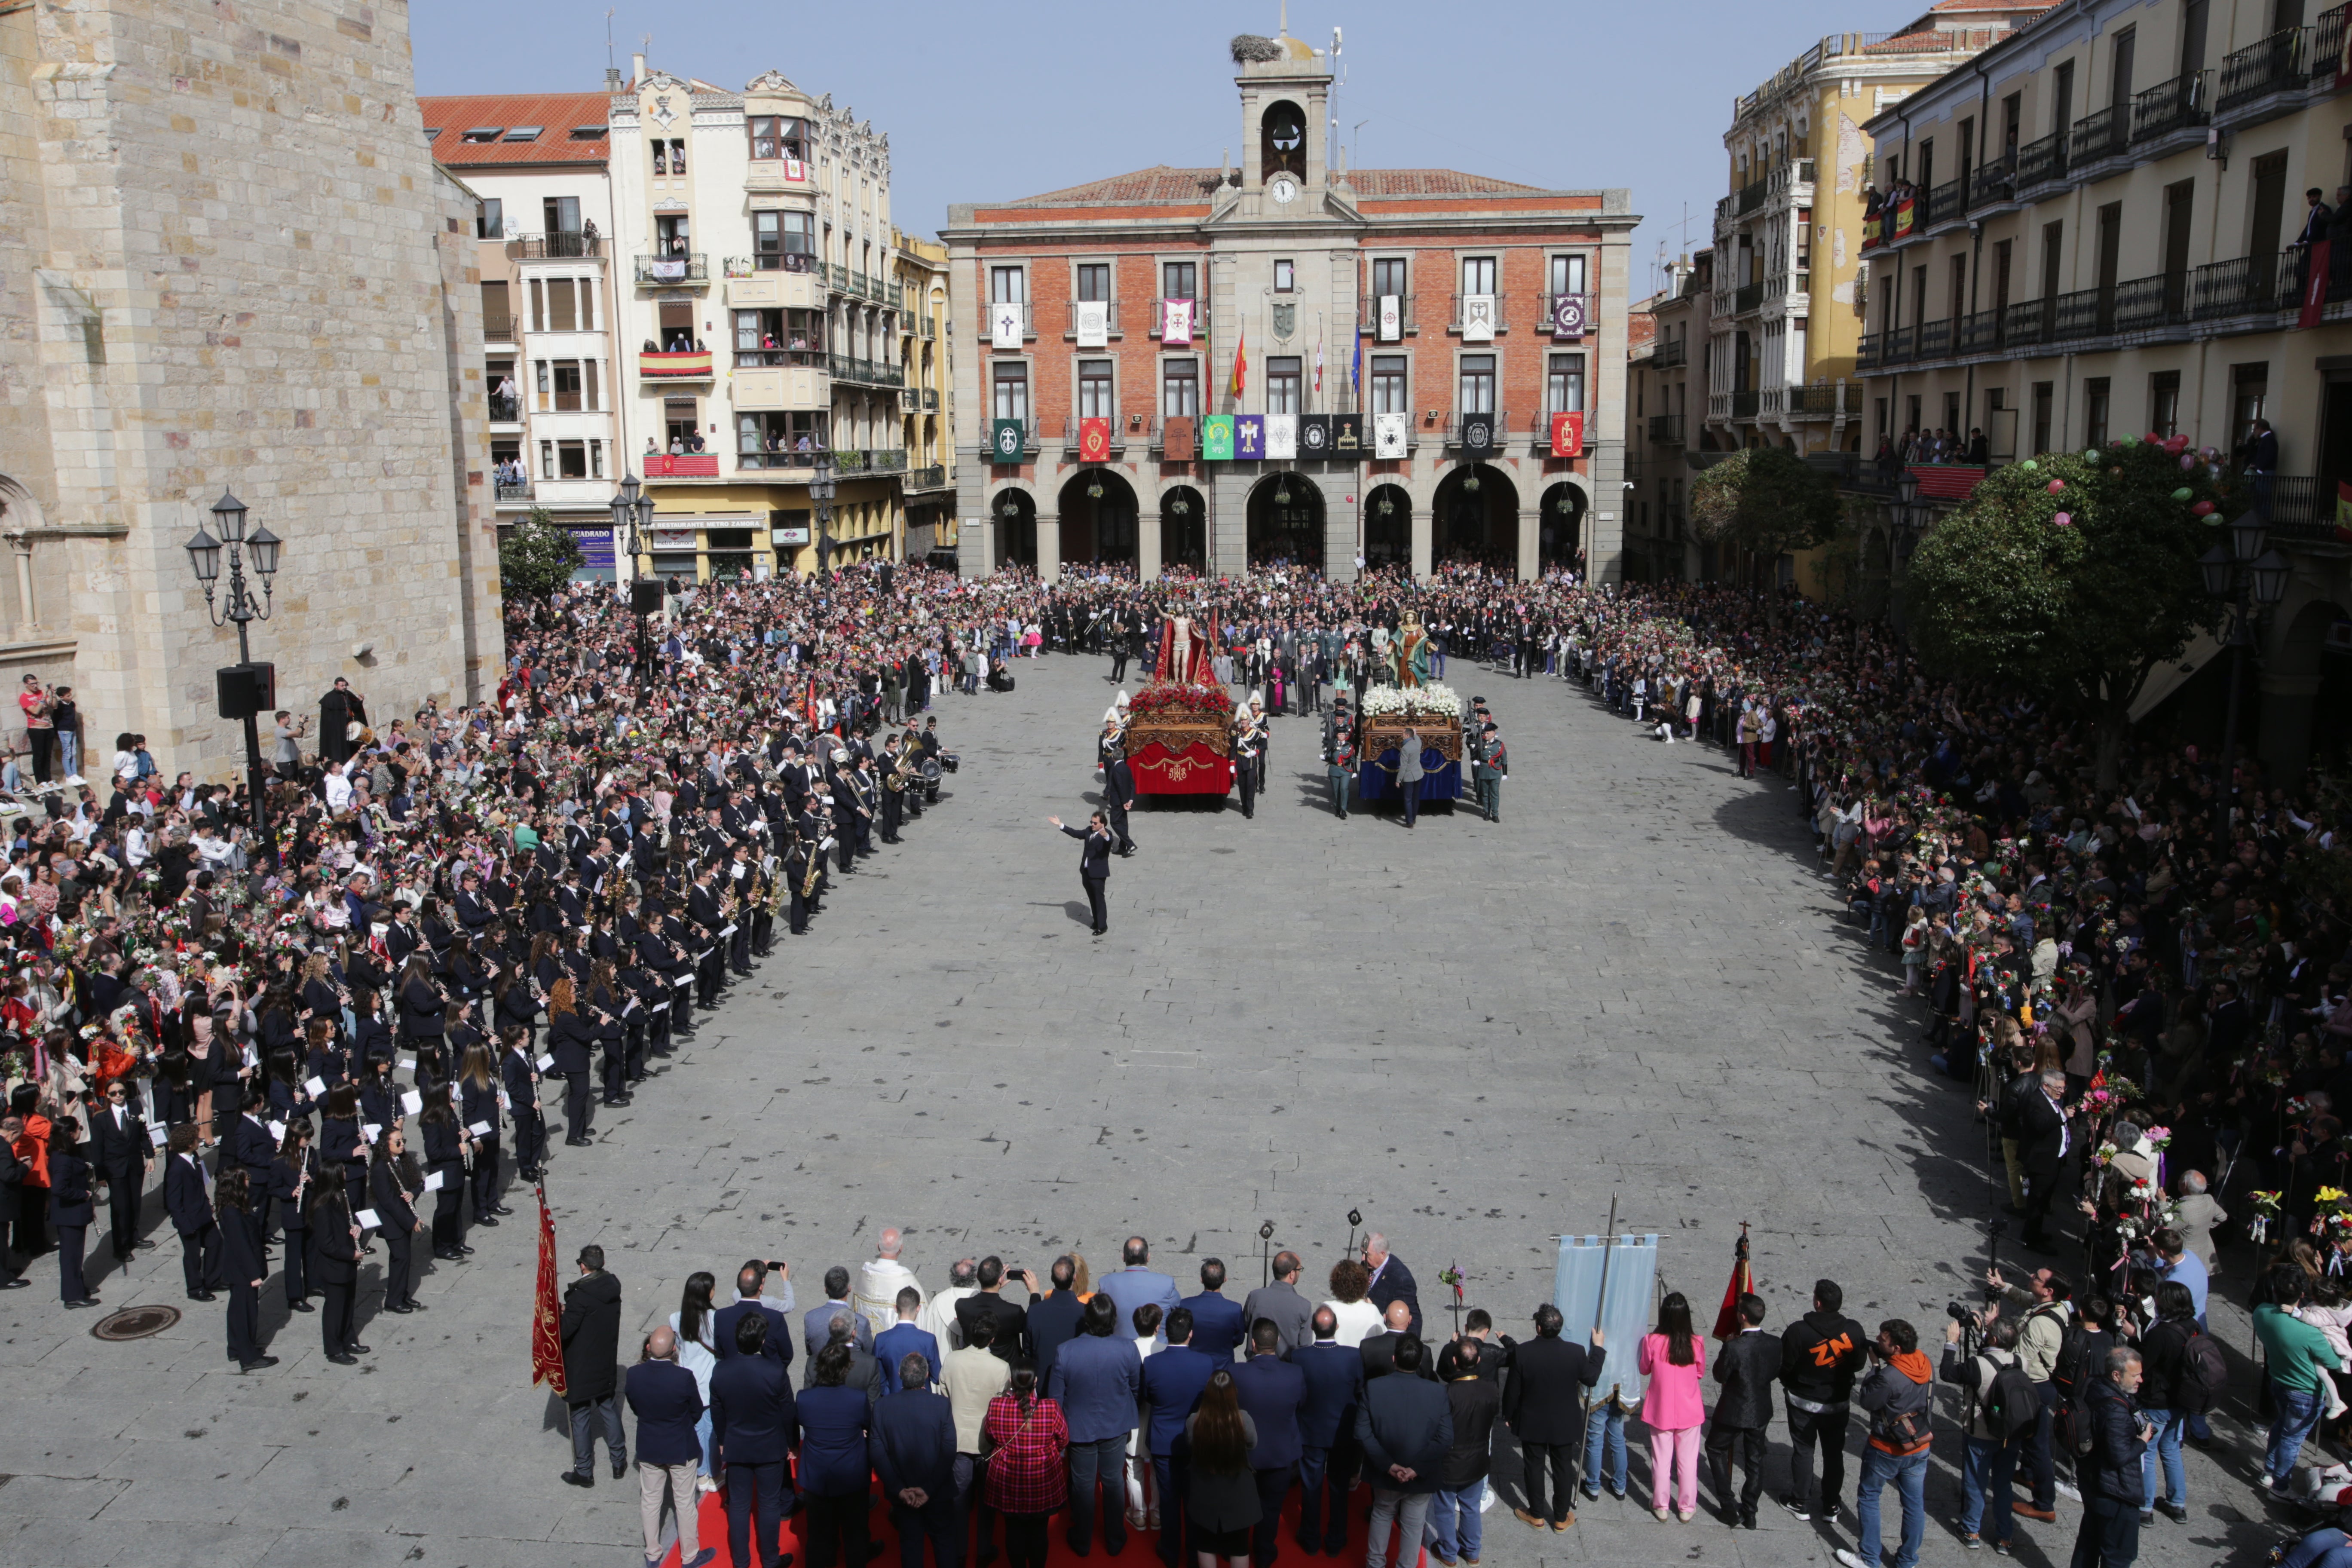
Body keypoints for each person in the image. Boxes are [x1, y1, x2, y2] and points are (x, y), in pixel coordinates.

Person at [1049, 1292, 1144, 1557]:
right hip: (1115, 1424)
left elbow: (1056, 1399)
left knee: (1083, 1484)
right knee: (1114, 1481)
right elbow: (1137, 1388)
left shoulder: (1065, 1351)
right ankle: (1115, 1539)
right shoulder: (1127, 1348)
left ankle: (1082, 1540)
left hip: (1079, 1428)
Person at [1833, 1320, 1931, 1568]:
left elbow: (1868, 1401)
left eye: (1883, 1340)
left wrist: (1875, 1367)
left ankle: (1869, 1558)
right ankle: (1907, 1560)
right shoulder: (1924, 1362)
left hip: (1887, 1449)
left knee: (1869, 1497)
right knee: (1914, 1504)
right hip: (1919, 1446)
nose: (1877, 1340)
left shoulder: (1888, 1377)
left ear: (1896, 1348)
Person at [1504, 1302, 1604, 1531]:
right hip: (1564, 1423)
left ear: (1539, 1328)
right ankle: (1560, 1517)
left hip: (1532, 1421)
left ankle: (1537, 1514)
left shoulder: (1524, 1352)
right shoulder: (1576, 1352)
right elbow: (1591, 1379)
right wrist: (1597, 1350)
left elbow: (1512, 1389)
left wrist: (1508, 1414)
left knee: (1534, 1467)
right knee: (1562, 1468)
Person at [711, 1308, 798, 1568]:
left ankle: (741, 1562)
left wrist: (723, 1440)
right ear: (761, 1341)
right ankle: (771, 1560)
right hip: (771, 1447)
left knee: (738, 1506)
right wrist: (792, 1443)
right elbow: (788, 1412)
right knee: (769, 1505)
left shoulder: (721, 1371)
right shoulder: (774, 1372)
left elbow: (718, 1411)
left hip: (737, 1446)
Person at [1355, 1335, 1451, 1568]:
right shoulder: (1437, 1392)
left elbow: (1362, 1432)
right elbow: (1446, 1438)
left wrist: (1387, 1464)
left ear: (1394, 1359)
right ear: (1419, 1363)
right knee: (1414, 1524)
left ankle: (1375, 1563)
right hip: (1419, 1475)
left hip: (1386, 1473)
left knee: (1382, 1513)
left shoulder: (1374, 1387)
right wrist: (1416, 1468)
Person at [1940, 1310, 2027, 1553]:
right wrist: (1985, 1336)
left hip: (1980, 1432)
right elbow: (1993, 1360)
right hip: (2011, 1434)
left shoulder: (1976, 1365)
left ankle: (1971, 1530)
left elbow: (1948, 1373)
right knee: (2003, 1485)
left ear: (1995, 1340)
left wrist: (1951, 1343)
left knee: (1976, 1482)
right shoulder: (2022, 1360)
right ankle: (2005, 1538)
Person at [628, 1326, 710, 1568]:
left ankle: (652, 1554)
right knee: (684, 1502)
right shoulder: (683, 1377)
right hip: (680, 1447)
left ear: (647, 1348)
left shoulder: (634, 1375)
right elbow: (696, 1411)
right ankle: (690, 1556)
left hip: (649, 1445)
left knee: (651, 1501)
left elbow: (635, 1406)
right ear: (674, 1350)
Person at [872, 1348, 960, 1568]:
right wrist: (929, 1489)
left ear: (900, 1375)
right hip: (937, 1492)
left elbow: (876, 1452)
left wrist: (899, 1489)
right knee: (945, 1545)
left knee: (911, 1547)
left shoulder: (883, 1406)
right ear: (927, 1376)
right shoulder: (940, 1405)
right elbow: (949, 1450)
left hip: (904, 1494)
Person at [1139, 1305, 1216, 1558]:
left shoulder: (1152, 1363)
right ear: (1190, 1334)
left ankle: (1171, 1552)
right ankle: (1194, 1553)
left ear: (1165, 1332)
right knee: (1194, 1500)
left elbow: (1148, 1397)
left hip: (1163, 1442)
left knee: (1170, 1500)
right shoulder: (1206, 1363)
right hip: (1196, 1442)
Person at [1230, 1318, 1305, 1568]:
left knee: (1240, 1507)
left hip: (1245, 1455)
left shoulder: (1236, 1372)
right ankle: (1264, 1554)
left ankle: (1238, 1551)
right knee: (1271, 1509)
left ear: (1253, 1344)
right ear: (1278, 1342)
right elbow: (1301, 1404)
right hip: (1279, 1454)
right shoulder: (1294, 1374)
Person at [1291, 1305, 1365, 1556]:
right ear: (1337, 1328)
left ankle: (1311, 1539)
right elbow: (1359, 1390)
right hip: (1342, 1433)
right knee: (1338, 1488)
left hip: (1310, 1432)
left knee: (1311, 1488)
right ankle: (1335, 1540)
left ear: (1312, 1328)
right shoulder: (1353, 1356)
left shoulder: (1300, 1357)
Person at [2256, 1263, 2336, 1492]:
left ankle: (2269, 1472)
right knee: (2292, 1439)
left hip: (2279, 1381)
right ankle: (2280, 1488)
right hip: (2306, 1393)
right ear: (2302, 1295)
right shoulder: (2311, 1333)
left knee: (2280, 1427)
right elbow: (2333, 1363)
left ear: (2274, 1291)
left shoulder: (2261, 1313)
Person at [799, 1342, 878, 1568]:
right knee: (855, 1533)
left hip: (817, 1475)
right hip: (851, 1474)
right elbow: (866, 1423)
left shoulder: (804, 1399)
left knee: (819, 1535)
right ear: (845, 1369)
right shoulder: (857, 1399)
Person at [983, 1363, 1069, 1568]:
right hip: (1042, 1479)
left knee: (1012, 1530)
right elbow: (1064, 1439)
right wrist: (1047, 1452)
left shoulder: (996, 1406)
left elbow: (990, 1436)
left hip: (1007, 1478)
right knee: (1039, 1531)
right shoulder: (1051, 1407)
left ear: (1012, 1382)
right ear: (1036, 1382)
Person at [2070, 1348, 2151, 1568]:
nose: (2141, 1380)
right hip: (2115, 1492)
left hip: (2093, 1482)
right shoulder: (2116, 1412)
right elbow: (2119, 1455)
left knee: (2089, 1543)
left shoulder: (2094, 1385)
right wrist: (2143, 1441)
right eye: (2135, 1376)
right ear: (2117, 1376)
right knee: (2119, 1556)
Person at [1706, 1292, 1778, 1529]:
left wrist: (1726, 1347)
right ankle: (1750, 1512)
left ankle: (1728, 1506)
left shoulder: (1734, 1347)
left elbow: (1719, 1375)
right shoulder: (1775, 1343)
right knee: (1755, 1460)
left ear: (1743, 1317)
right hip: (1760, 1410)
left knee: (1715, 1448)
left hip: (1734, 1411)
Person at [1424, 1338, 1497, 1567]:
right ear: (1478, 1361)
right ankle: (1472, 1550)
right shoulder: (1492, 1390)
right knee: (1471, 1507)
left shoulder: (1446, 1394)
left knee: (1445, 1508)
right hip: (1477, 1461)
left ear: (1455, 1361)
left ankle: (1448, 1552)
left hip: (1449, 1463)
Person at [561, 1243, 629, 1487]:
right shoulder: (612, 1286)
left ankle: (585, 1470)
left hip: (581, 1367)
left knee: (580, 1416)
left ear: (583, 1265)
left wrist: (560, 1315)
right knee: (608, 1409)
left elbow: (564, 1330)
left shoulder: (580, 1297)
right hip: (604, 1361)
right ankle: (619, 1461)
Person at [2135, 1280, 2203, 1524]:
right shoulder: (2193, 1326)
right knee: (2172, 1450)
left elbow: (2144, 1364)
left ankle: (2145, 1508)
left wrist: (2134, 1337)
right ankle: (2177, 1504)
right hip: (2181, 1400)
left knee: (2148, 1452)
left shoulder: (2162, 1333)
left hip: (2156, 1401)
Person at [1639, 1291, 1706, 1522]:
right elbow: (1700, 1372)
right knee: (1688, 1462)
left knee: (1661, 1460)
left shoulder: (1652, 1341)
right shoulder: (1696, 1342)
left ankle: (1661, 1505)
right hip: (1689, 1409)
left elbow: (1644, 1368)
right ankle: (1687, 1507)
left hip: (1661, 1410)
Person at [1186, 1369, 1262, 1568]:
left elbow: (1192, 1444)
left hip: (1205, 1491)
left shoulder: (1195, 1421)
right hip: (1238, 1492)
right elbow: (1253, 1444)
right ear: (1233, 1393)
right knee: (1239, 1547)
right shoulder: (1243, 1419)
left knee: (1206, 1545)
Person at [163, 1121, 222, 1301]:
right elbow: (173, 1202)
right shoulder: (177, 1169)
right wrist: (185, 1225)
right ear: (189, 1143)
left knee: (216, 1243)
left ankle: (213, 1280)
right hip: (189, 1221)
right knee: (192, 1256)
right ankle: (195, 1289)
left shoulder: (194, 1156)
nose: (199, 1140)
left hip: (202, 1214)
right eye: (197, 1139)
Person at [48, 1115, 95, 1307]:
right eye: (78, 1129)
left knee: (75, 1255)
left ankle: (77, 1287)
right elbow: (59, 1188)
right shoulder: (63, 1160)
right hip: (70, 1214)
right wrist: (82, 1194)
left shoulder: (67, 1153)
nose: (80, 1131)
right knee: (71, 1256)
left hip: (74, 1213)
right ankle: (72, 1296)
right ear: (70, 1133)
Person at [1048, 812, 1114, 936]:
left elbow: (1109, 841)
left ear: (1103, 824)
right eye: (1092, 822)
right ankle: (1096, 921)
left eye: (1095, 823)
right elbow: (1075, 834)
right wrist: (1060, 825)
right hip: (1086, 872)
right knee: (1092, 898)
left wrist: (1105, 835)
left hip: (1098, 874)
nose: (1093, 825)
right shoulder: (1089, 831)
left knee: (1099, 899)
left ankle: (1102, 926)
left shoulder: (1106, 834)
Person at [855, 1225, 927, 1338]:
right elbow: (923, 1314)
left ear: (878, 1246)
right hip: (895, 1343)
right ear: (901, 1248)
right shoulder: (906, 1279)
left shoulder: (865, 1274)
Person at [1240, 1250, 1315, 1355]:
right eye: (1299, 1270)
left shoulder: (1255, 1297)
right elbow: (1305, 1346)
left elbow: (1245, 1326)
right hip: (1286, 1368)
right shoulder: (1304, 1306)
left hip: (1255, 1364)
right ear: (1292, 1274)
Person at [876, 1286, 944, 1398]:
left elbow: (879, 1379)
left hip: (892, 1399)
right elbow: (937, 1377)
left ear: (895, 1308)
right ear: (918, 1308)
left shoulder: (881, 1339)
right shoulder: (928, 1340)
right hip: (922, 1399)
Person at [1362, 1234, 1421, 1338]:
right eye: (1362, 1253)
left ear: (1382, 1255)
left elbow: (1411, 1320)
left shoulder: (1401, 1279)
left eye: (1367, 1255)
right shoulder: (1367, 1265)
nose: (1363, 1258)